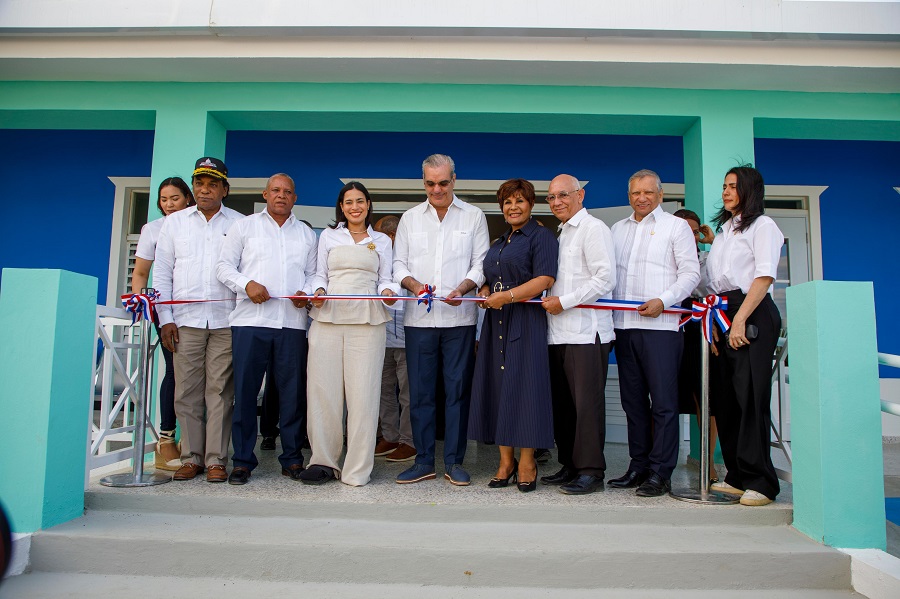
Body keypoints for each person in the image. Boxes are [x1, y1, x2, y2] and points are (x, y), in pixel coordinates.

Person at [393, 154, 490, 486]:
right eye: (430, 183)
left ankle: (454, 461)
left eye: (443, 182)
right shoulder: (409, 218)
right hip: (419, 320)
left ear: (454, 179)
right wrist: (415, 285)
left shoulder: (474, 216)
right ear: (423, 182)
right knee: (420, 394)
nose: (437, 189)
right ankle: (423, 461)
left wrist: (464, 287)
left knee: (457, 392)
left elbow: (481, 263)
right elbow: (399, 265)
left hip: (460, 319)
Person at [216, 173, 318, 485]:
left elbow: (314, 274)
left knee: (292, 394)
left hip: (292, 324)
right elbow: (223, 267)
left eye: (288, 191)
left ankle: (291, 459)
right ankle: (243, 461)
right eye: (275, 190)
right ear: (265, 194)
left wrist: (307, 293)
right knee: (246, 393)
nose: (281, 196)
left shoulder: (306, 234)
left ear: (295, 198)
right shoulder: (244, 226)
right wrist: (246, 284)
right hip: (250, 323)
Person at [299, 182, 399, 487]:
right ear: (341, 207)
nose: (354, 207)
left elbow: (388, 278)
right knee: (323, 393)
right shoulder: (328, 236)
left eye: (360, 201)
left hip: (367, 323)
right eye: (348, 202)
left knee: (363, 397)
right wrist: (317, 291)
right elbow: (318, 274)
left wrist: (388, 293)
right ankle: (323, 461)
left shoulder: (382, 240)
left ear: (368, 204)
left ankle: (357, 469)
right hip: (328, 318)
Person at [608, 169, 700, 497]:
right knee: (632, 402)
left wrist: (664, 300)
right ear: (629, 195)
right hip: (624, 327)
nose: (642, 198)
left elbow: (691, 273)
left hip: (662, 328)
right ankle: (639, 465)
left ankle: (661, 472)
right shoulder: (616, 230)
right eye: (635, 193)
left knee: (663, 403)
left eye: (648, 192)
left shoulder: (675, 227)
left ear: (660, 195)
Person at [154, 157, 243, 483]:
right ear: (193, 188)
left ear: (224, 189)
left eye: (212, 184)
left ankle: (217, 459)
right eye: (200, 184)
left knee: (219, 392)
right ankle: (191, 457)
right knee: (186, 392)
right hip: (185, 321)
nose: (205, 190)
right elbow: (162, 274)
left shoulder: (238, 223)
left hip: (225, 320)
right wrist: (165, 317)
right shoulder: (174, 224)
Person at [469, 179, 557, 492]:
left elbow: (545, 278)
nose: (513, 207)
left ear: (531, 204)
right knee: (498, 389)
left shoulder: (541, 236)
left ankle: (527, 462)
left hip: (526, 322)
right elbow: (493, 276)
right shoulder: (500, 241)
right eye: (507, 202)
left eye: (519, 201)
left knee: (525, 390)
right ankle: (505, 462)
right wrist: (484, 289)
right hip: (496, 324)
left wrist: (505, 297)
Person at [707, 165, 784, 507]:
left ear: (750, 190)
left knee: (750, 397)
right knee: (726, 399)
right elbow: (713, 284)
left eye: (733, 186)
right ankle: (737, 476)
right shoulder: (724, 231)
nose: (726, 191)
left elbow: (764, 277)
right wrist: (713, 323)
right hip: (722, 312)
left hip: (751, 312)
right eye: (724, 186)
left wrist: (739, 320)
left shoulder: (762, 226)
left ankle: (762, 482)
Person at [539, 175, 616, 495]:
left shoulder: (593, 228)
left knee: (586, 406)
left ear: (580, 195)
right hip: (558, 333)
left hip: (587, 331)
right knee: (565, 405)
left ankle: (590, 470)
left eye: (563, 195)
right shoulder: (561, 232)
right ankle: (570, 464)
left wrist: (564, 302)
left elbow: (605, 279)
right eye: (551, 197)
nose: (556, 201)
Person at [131, 177, 194, 471]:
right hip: (165, 310)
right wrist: (140, 304)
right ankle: (166, 439)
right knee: (174, 370)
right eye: (164, 199)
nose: (169, 204)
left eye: (175, 198)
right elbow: (141, 272)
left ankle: (192, 441)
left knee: (199, 378)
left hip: (200, 312)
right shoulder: (153, 229)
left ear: (187, 199)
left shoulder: (197, 226)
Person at [673, 208, 719, 484]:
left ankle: (708, 461)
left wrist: (712, 242)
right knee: (664, 395)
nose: (688, 236)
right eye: (682, 230)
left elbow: (719, 289)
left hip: (700, 328)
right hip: (670, 324)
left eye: (692, 231)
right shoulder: (664, 258)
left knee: (706, 396)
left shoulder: (708, 259)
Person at [373, 215, 416, 463]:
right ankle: (390, 436)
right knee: (383, 391)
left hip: (408, 338)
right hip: (380, 335)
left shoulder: (409, 261)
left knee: (408, 394)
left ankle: (409, 441)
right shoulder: (376, 260)